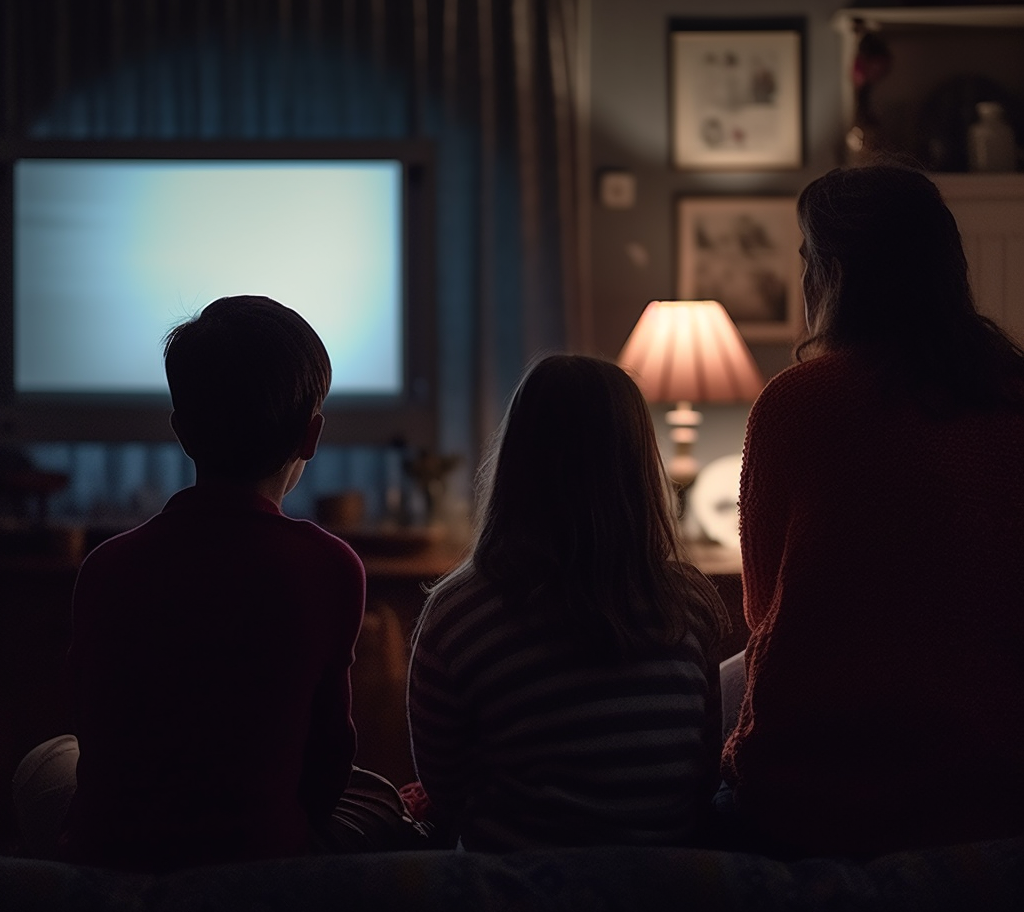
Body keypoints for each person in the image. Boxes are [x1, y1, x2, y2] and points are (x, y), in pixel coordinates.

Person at [12, 295, 422, 871]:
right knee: (378, 797)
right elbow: (327, 769)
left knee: (47, 760)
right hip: (261, 854)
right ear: (311, 435)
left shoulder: (106, 566)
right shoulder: (332, 567)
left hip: (116, 851)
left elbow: (97, 740)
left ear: (181, 431)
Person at [719, 165, 1024, 858]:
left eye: (806, 262)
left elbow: (764, 611)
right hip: (997, 787)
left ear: (829, 275)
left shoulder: (797, 402)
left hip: (814, 800)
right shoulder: (1013, 396)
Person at [406, 353, 728, 851]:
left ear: (515, 459)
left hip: (513, 879)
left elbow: (446, 790)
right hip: (666, 879)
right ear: (640, 463)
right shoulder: (689, 602)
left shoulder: (457, 615)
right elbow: (701, 773)